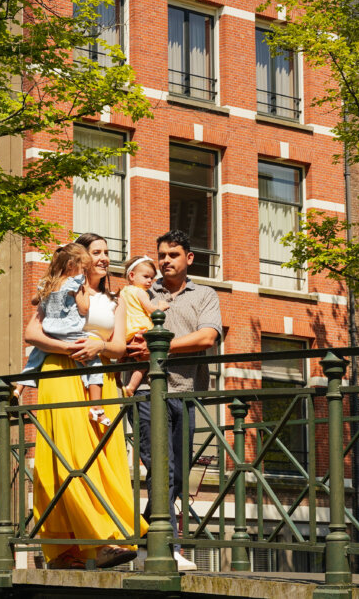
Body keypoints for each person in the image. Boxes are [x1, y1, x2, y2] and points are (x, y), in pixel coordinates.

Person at [23, 232, 148, 569]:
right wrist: (71, 348)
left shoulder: (116, 299)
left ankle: (109, 535)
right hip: (61, 374)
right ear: (81, 258)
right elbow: (32, 334)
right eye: (97, 252)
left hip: (102, 381)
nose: (104, 257)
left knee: (104, 458)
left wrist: (99, 347)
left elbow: (120, 346)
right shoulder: (58, 291)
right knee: (66, 455)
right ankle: (68, 549)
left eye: (107, 251)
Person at [126, 230, 222, 571]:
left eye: (173, 255)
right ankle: (165, 548)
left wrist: (161, 344)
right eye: (162, 255)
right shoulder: (142, 292)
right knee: (161, 469)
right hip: (147, 392)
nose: (166, 260)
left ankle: (141, 538)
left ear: (189, 259)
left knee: (179, 475)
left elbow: (208, 336)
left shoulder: (205, 294)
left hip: (187, 393)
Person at [15, 244, 107, 424]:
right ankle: (97, 408)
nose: (84, 272)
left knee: (35, 357)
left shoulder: (47, 282)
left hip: (50, 330)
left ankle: (18, 390)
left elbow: (34, 301)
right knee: (93, 362)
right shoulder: (75, 283)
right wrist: (86, 293)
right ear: (73, 265)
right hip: (69, 330)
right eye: (83, 268)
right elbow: (83, 308)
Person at [119, 254, 169, 397]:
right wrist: (161, 306)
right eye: (146, 277)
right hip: (140, 329)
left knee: (122, 357)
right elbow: (151, 310)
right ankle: (131, 386)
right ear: (132, 276)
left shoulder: (123, 292)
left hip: (127, 330)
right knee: (144, 359)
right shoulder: (140, 292)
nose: (149, 281)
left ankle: (116, 376)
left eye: (151, 278)